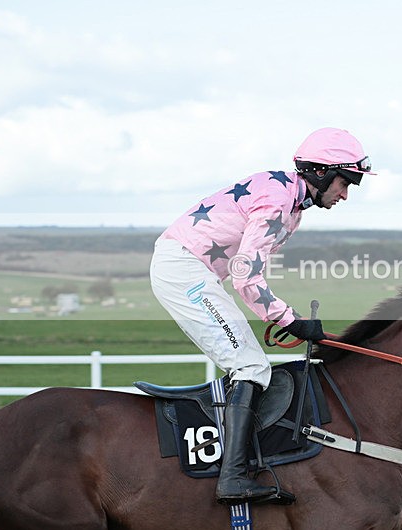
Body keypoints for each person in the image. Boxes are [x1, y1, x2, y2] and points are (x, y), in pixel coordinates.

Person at [149, 127, 374, 504]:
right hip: (185, 270)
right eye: (344, 182)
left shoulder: (288, 199)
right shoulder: (277, 202)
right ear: (320, 172)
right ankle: (233, 477)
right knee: (251, 366)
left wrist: (291, 317)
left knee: (252, 363)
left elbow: (249, 272)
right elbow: (245, 273)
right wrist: (290, 320)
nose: (345, 195)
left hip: (192, 270)